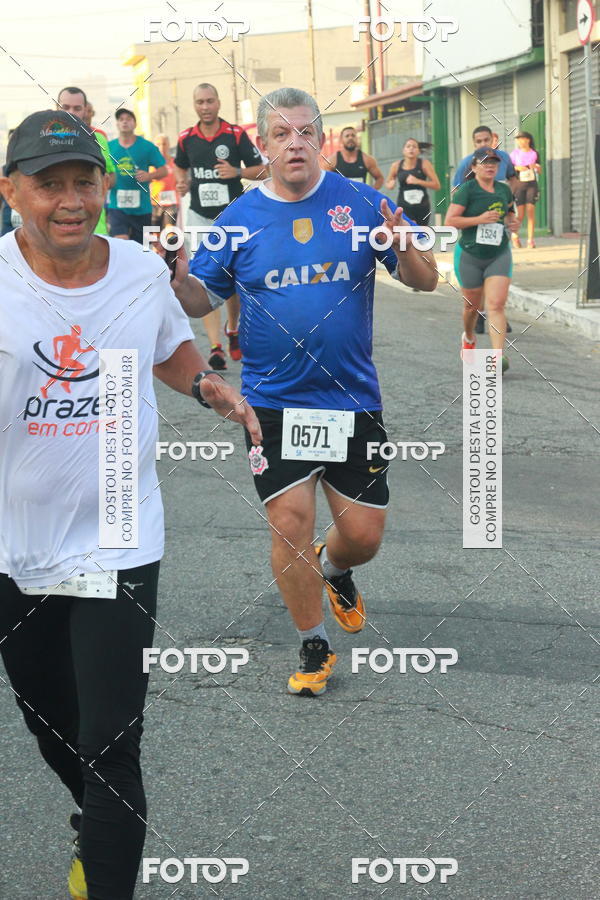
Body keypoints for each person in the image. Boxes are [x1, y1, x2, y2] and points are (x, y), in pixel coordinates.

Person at [0, 109, 260, 900]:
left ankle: (108, 861)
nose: (71, 201)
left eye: (84, 182)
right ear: (12, 192)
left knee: (111, 742)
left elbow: (169, 346)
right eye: (50, 185)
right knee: (48, 718)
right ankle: (96, 817)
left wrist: (203, 383)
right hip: (15, 538)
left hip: (119, 526)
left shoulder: (141, 272)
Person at [170, 87, 437, 697]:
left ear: (321, 139)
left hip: (352, 400)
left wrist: (406, 248)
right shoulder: (237, 220)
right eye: (281, 134)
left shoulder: (363, 203)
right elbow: (199, 301)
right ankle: (313, 643)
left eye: (305, 132)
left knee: (364, 536)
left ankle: (334, 567)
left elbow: (425, 282)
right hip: (273, 402)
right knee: (289, 523)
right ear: (261, 146)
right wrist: (179, 277)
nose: (295, 144)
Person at [174, 83, 267, 369]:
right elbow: (180, 166)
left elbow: (264, 170)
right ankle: (215, 347)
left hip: (231, 218)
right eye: (200, 102)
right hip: (199, 217)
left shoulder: (235, 134)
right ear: (194, 105)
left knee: (233, 279)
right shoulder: (186, 138)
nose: (205, 107)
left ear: (218, 102)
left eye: (209, 101)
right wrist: (182, 181)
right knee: (201, 281)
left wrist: (237, 171)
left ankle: (233, 328)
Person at [445, 147, 519, 373]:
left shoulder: (504, 190)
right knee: (472, 307)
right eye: (485, 162)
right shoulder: (466, 191)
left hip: (498, 253)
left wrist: (513, 223)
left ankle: (497, 357)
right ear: (474, 167)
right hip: (470, 254)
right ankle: (468, 337)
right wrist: (479, 219)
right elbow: (450, 221)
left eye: (494, 163)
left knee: (496, 304)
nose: (490, 166)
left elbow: (510, 214)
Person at [58, 86, 116, 236]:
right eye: (66, 107)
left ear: (85, 111)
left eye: (77, 108)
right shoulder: (43, 140)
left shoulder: (99, 139)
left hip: (94, 229)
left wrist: (92, 184)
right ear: (57, 108)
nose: (71, 112)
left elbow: (112, 177)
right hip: (55, 228)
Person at [107, 108, 167, 244]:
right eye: (121, 119)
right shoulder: (109, 147)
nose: (124, 122)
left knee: (140, 248)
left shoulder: (147, 147)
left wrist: (149, 175)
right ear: (117, 124)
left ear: (135, 124)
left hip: (142, 208)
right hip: (117, 207)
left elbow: (164, 170)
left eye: (128, 119)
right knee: (120, 242)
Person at [385, 137, 440, 226]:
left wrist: (418, 181)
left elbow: (437, 185)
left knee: (420, 231)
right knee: (408, 229)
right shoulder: (396, 165)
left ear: (418, 151)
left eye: (414, 147)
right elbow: (388, 183)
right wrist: (390, 185)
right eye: (408, 146)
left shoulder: (424, 164)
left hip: (422, 206)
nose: (411, 149)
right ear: (403, 150)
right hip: (404, 205)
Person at [453, 126, 518, 190]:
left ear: (492, 140)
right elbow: (456, 189)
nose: (483, 144)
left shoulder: (504, 156)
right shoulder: (466, 162)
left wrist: (509, 195)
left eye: (486, 140)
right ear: (474, 143)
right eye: (479, 141)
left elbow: (513, 178)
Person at [510, 130, 542, 249]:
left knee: (530, 211)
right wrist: (517, 168)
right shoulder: (515, 154)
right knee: (520, 214)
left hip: (531, 184)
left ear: (527, 140)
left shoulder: (534, 153)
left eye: (521, 139)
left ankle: (530, 240)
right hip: (519, 184)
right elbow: (510, 169)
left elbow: (539, 169)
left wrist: (536, 167)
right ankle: (514, 235)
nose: (519, 141)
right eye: (518, 139)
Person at [150, 133, 179, 230]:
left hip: (171, 203)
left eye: (164, 144)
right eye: (158, 144)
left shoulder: (175, 163)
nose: (162, 147)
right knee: (155, 235)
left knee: (169, 231)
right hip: (154, 203)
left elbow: (181, 180)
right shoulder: (150, 163)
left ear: (169, 145)